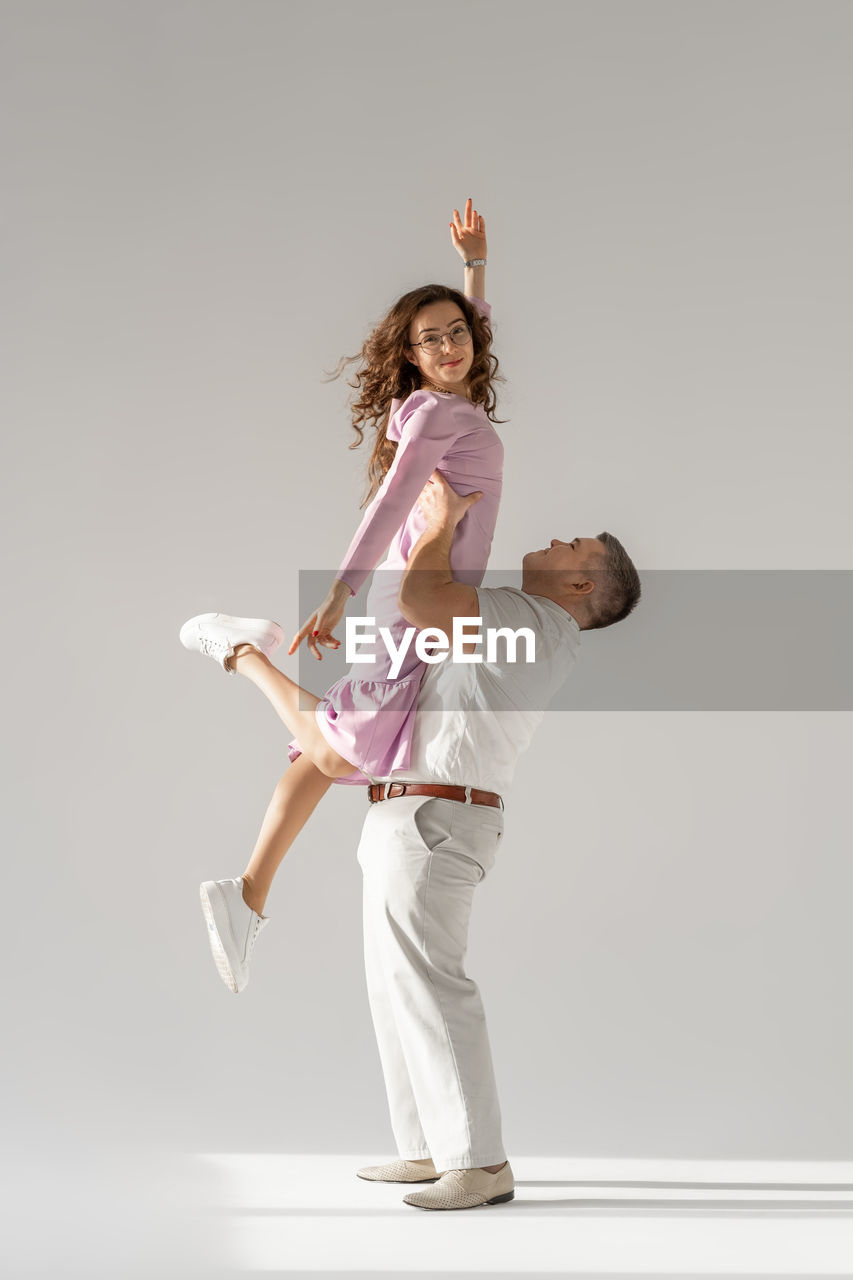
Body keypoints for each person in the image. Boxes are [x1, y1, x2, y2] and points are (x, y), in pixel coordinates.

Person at [186, 470, 641, 1209]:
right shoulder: (523, 621)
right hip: (411, 812)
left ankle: (480, 1163)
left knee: (429, 984)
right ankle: (429, 1149)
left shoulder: (533, 621)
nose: (557, 539)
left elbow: (419, 599)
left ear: (583, 587)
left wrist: (434, 520)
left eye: (574, 546)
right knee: (394, 986)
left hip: (437, 817)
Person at [180, 200, 506, 990]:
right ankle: (242, 650)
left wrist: (475, 269)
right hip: (409, 601)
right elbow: (391, 502)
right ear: (410, 354)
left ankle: (248, 891)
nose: (451, 345)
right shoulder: (433, 413)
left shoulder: (444, 402)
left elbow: (474, 328)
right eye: (430, 338)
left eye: (457, 331)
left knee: (338, 749)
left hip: (420, 597)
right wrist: (338, 592)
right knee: (341, 747)